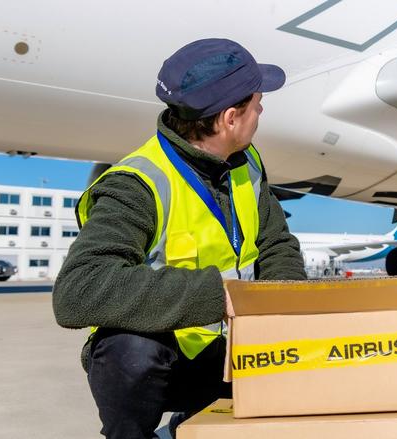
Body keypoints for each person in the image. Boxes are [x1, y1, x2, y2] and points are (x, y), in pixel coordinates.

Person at [53, 38, 306, 439]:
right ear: (229, 118)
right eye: (257, 104)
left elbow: (276, 245)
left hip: (241, 351)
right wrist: (220, 295)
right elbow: (78, 290)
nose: (261, 111)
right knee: (128, 351)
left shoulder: (248, 164)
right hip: (172, 362)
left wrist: (285, 303)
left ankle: (192, 427)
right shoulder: (136, 184)